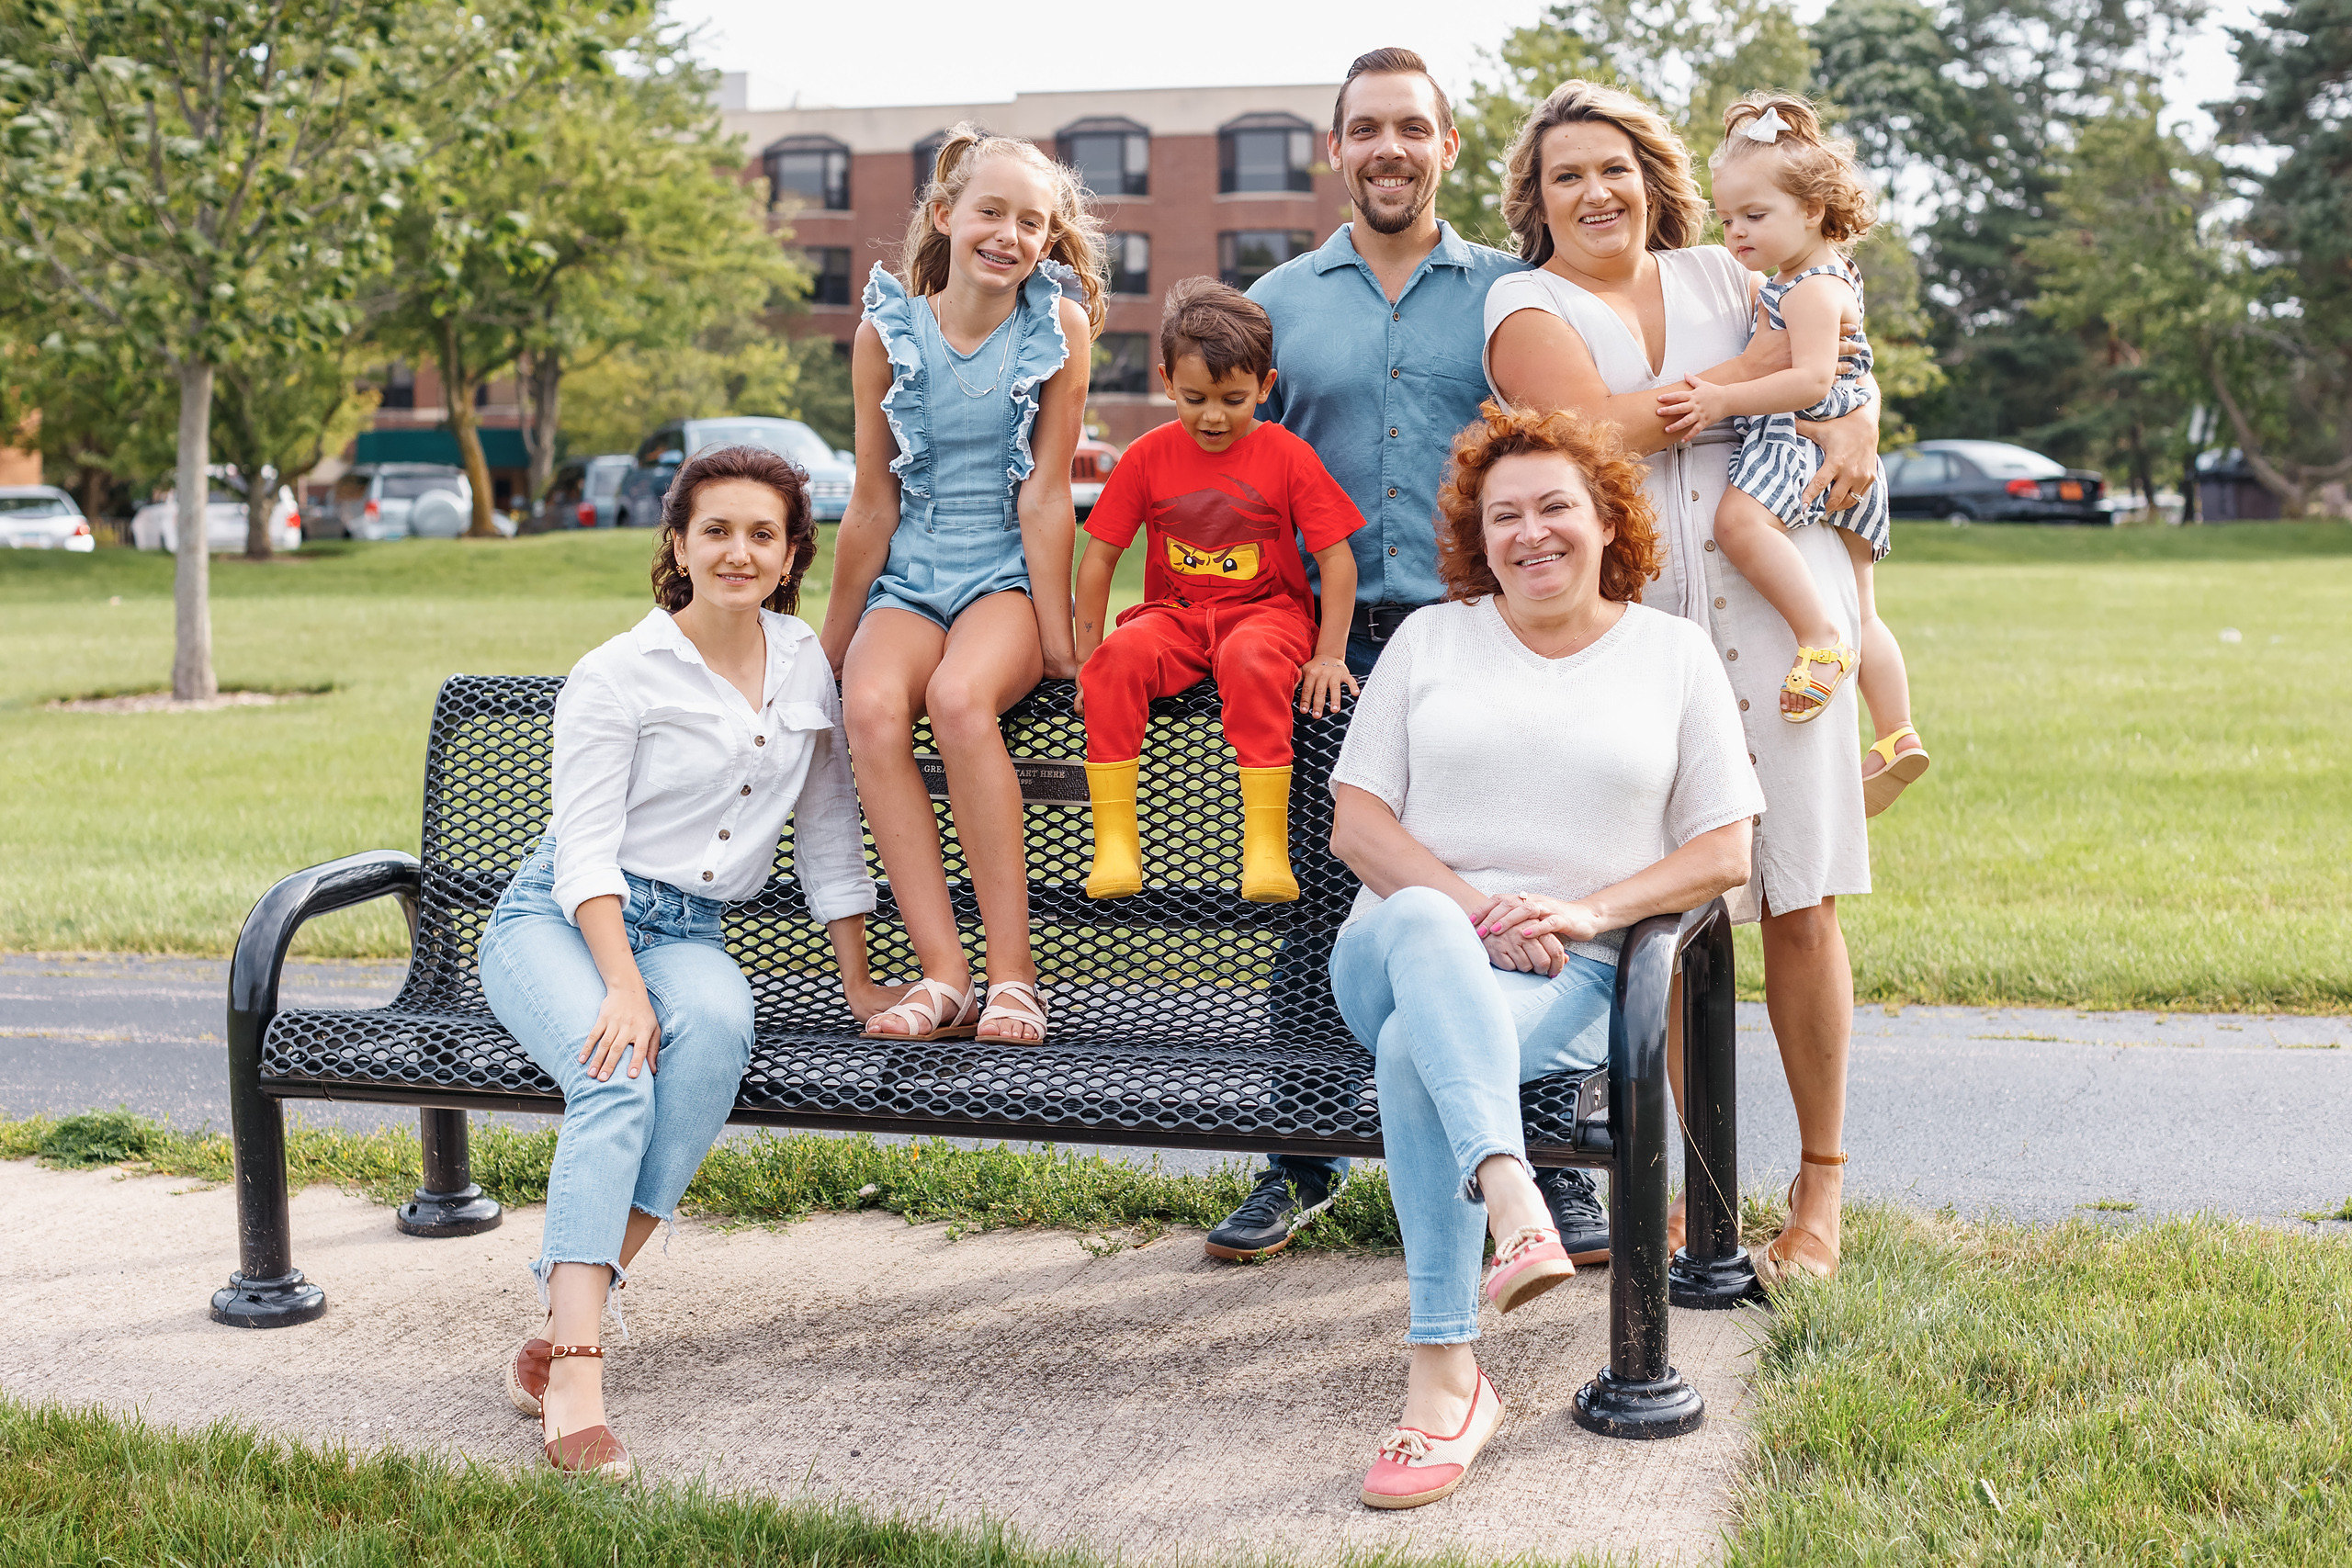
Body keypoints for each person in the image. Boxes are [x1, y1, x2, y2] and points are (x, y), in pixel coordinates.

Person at [1205, 46, 1613, 1263]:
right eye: (1365, 129)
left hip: (1484, 644)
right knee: (1326, 903)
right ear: (1337, 151)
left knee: (1516, 893)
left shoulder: (1509, 297)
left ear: (1445, 146)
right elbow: (1234, 478)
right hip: (1331, 653)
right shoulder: (1277, 302)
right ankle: (1303, 1156)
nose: (1388, 148)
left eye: (1412, 129)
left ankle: (1549, 1164)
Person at [1483, 79, 1880, 1282]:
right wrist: (1747, 385)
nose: (1595, 191)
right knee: (1651, 909)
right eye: (1566, 176)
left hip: (1777, 607)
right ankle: (1677, 1187)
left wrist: (1859, 418)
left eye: (1614, 168)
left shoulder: (1727, 269)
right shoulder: (1523, 302)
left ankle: (1819, 1192)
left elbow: (1833, 349)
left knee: (1798, 894)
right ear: (1536, 200)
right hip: (1634, 628)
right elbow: (1591, 431)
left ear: (1653, 177)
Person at [1333, 406, 1759, 1509]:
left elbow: (1724, 847)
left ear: (1606, 518)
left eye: (1555, 507)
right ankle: (1512, 1189)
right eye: (1504, 516)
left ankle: (1446, 1380)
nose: (1532, 534)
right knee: (1424, 932)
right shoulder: (1433, 639)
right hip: (1393, 942)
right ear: (1482, 538)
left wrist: (1584, 913)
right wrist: (1479, 911)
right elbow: (1358, 827)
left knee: (1409, 1050)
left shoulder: (1670, 656)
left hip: (1563, 980)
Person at [480, 446, 890, 1476]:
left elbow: (830, 831)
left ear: (794, 552)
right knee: (615, 1076)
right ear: (678, 544)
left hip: (688, 932)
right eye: (716, 531)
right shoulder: (618, 672)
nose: (738, 552)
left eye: (763, 533)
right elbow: (580, 854)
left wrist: (857, 980)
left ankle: (566, 1300)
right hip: (564, 921)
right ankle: (576, 1370)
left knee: (714, 1039)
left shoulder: (805, 664)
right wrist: (620, 984)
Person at [822, 124, 1100, 1049]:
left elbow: (1049, 493)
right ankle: (945, 974)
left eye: (1033, 222)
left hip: (1003, 582)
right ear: (945, 215)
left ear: (1048, 240)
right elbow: (870, 503)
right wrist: (830, 639)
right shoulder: (886, 333)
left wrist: (1059, 639)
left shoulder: (1055, 328)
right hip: (911, 573)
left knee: (958, 696)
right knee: (868, 705)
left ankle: (1013, 978)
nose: (1010, 235)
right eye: (991, 212)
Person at [1655, 94, 1929, 814]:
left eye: (1755, 215)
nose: (1736, 231)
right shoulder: (1818, 272)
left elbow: (1808, 379)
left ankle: (1817, 639)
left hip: (1799, 442)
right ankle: (1897, 732)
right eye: (1728, 217)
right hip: (1836, 446)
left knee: (1740, 525)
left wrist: (1720, 399)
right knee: (1866, 605)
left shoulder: (1809, 286)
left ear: (1811, 210)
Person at [1072, 277, 1363, 904]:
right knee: (1118, 660)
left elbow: (1336, 561)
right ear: (1167, 380)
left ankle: (1265, 846)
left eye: (1234, 399)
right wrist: (1083, 657)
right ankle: (1116, 840)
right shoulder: (1147, 457)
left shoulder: (1287, 455)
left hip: (1267, 617)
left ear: (1265, 387)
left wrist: (1329, 652)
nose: (1213, 416)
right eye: (1196, 396)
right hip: (1174, 618)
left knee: (1250, 658)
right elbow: (1098, 561)